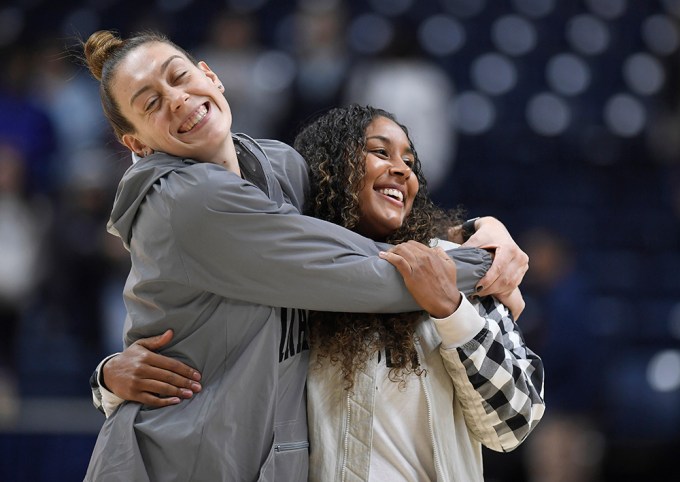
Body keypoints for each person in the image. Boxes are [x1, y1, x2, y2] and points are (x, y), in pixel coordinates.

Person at [81, 30, 529, 481]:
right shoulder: (185, 200)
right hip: (169, 462)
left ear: (210, 77)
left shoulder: (282, 167)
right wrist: (482, 267)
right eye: (151, 103)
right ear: (136, 144)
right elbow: (371, 272)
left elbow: (351, 229)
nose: (176, 100)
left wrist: (476, 233)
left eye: (178, 78)